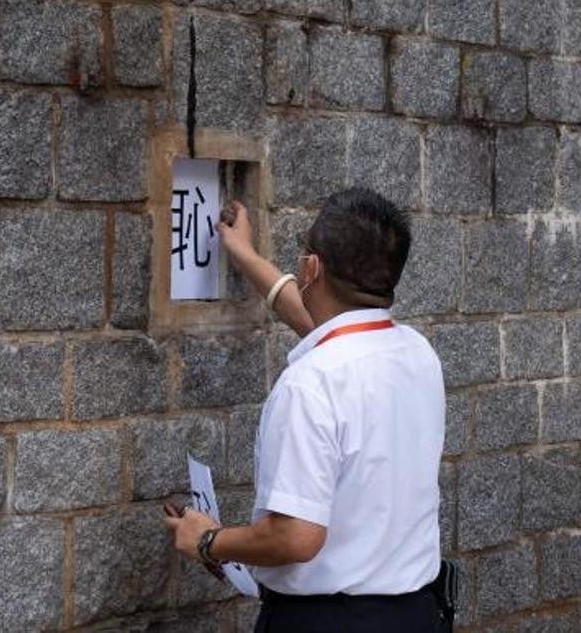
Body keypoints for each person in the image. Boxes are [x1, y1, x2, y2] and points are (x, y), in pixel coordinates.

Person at [162, 188, 448, 632]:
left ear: (311, 268)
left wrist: (208, 540)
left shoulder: (311, 383)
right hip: (414, 615)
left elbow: (295, 537)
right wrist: (243, 254)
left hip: (326, 622)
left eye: (304, 254)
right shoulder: (416, 353)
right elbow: (326, 326)